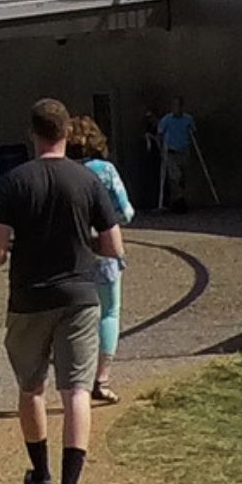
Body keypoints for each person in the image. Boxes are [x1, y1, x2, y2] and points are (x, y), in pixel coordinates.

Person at [0, 97, 125, 484]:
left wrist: (5, 251)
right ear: (67, 133)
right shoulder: (88, 182)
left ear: (32, 134)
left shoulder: (12, 183)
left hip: (28, 297)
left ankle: (40, 475)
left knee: (32, 388)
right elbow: (113, 246)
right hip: (80, 296)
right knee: (77, 391)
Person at [71, 117, 137, 404]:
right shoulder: (106, 171)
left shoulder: (65, 171)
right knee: (109, 312)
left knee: (74, 318)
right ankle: (102, 378)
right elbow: (126, 211)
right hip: (105, 252)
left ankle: (74, 379)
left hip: (71, 253)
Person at [154, 100, 202, 209]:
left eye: (179, 106)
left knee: (182, 176)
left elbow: (194, 132)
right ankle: (179, 199)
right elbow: (160, 134)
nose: (177, 108)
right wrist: (161, 149)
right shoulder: (166, 120)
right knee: (175, 176)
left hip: (184, 150)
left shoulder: (187, 119)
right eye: (175, 106)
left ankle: (179, 199)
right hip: (170, 152)